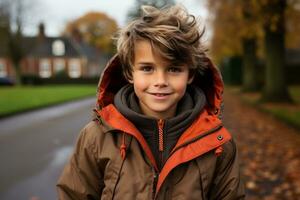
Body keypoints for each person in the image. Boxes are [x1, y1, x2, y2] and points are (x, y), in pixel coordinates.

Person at [57, 4, 245, 200]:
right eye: (147, 68)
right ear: (130, 72)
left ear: (190, 74)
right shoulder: (97, 137)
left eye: (174, 69)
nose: (160, 82)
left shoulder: (217, 145)